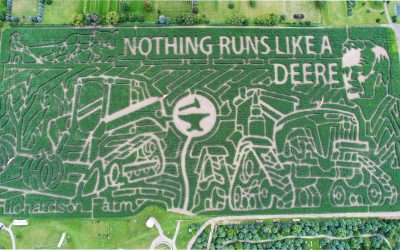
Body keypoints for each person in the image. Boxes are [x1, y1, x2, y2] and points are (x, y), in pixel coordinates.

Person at [342, 39, 399, 170]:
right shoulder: (347, 118)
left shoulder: (395, 111)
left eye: (358, 70)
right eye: (345, 71)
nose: (350, 78)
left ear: (380, 75)